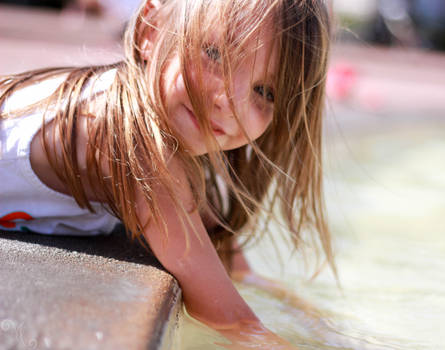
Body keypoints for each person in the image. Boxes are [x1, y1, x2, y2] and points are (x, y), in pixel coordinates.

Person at [0, 0, 335, 347]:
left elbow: (231, 261)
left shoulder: (165, 132)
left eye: (264, 91)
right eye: (215, 53)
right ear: (151, 28)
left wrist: (301, 310)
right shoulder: (135, 143)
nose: (229, 100)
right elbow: (231, 320)